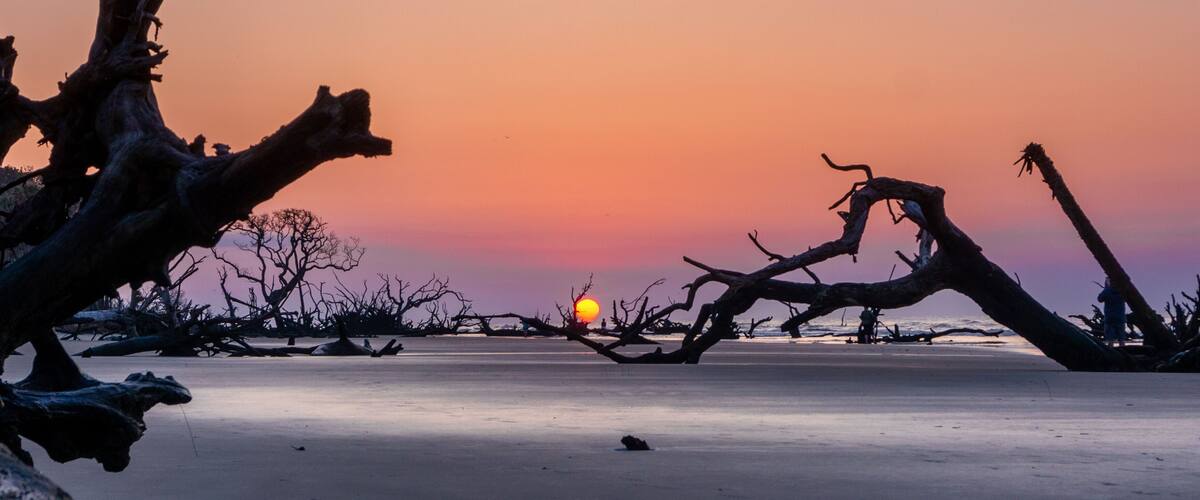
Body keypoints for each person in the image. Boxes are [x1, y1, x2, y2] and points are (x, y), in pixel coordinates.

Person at [1098, 279, 1127, 347]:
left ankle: (1111, 352)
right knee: (1121, 339)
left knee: (1110, 340)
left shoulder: (1107, 291)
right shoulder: (1122, 291)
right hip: (1120, 317)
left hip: (1109, 318)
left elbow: (1099, 299)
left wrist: (1106, 288)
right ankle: (1124, 351)